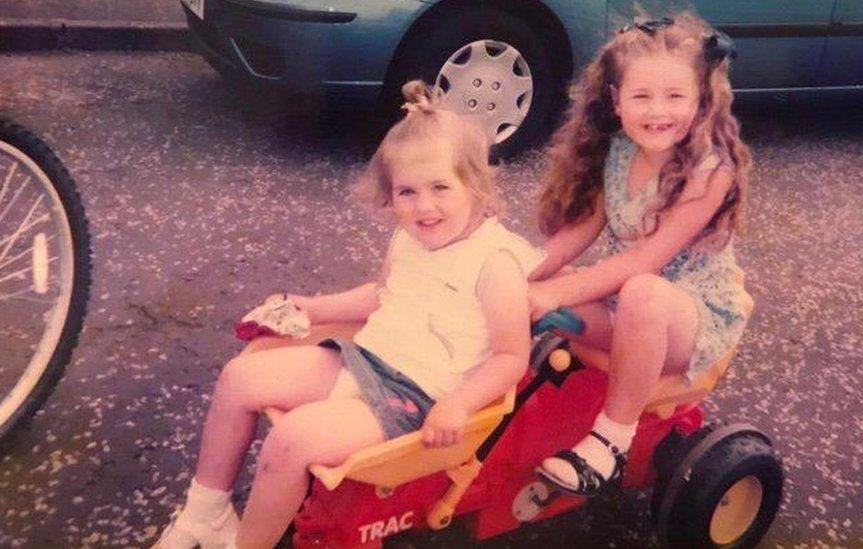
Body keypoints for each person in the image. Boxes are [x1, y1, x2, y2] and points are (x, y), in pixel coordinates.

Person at [153, 81, 539, 549]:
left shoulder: (493, 263)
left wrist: (457, 405)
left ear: (474, 185)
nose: (424, 206)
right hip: (366, 358)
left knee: (293, 440)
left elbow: (510, 356)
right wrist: (313, 308)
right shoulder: (409, 238)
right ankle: (205, 515)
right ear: (390, 195)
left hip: (418, 399)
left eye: (441, 187)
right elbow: (381, 295)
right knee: (240, 378)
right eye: (407, 192)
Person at [529, 12, 755, 496]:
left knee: (640, 292)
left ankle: (612, 442)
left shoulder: (709, 171)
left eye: (675, 96)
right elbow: (578, 233)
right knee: (539, 293)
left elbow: (642, 263)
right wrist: (521, 275)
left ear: (700, 102)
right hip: (624, 306)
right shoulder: (616, 152)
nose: (658, 111)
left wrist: (548, 293)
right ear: (615, 100)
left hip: (688, 316)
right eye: (642, 96)